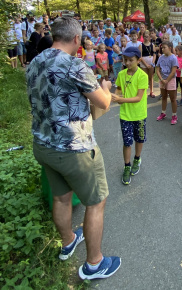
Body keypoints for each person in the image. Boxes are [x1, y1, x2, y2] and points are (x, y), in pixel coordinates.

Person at [26, 16, 120, 280]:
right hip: (74, 149)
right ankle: (94, 264)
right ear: (77, 39)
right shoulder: (73, 64)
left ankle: (68, 241)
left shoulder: (35, 62)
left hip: (43, 145)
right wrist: (106, 87)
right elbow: (102, 103)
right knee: (96, 201)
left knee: (60, 197)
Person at [112, 47, 148, 185]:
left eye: (131, 60)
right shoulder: (121, 74)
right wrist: (115, 96)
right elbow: (119, 89)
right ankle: (126, 166)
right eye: (125, 60)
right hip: (125, 115)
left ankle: (137, 159)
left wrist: (121, 100)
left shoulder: (143, 76)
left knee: (139, 139)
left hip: (139, 115)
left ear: (138, 60)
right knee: (127, 142)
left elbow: (139, 97)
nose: (127, 63)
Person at [156, 41, 179, 124]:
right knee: (164, 97)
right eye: (162, 48)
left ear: (170, 48)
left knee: (173, 98)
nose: (162, 49)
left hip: (171, 80)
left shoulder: (173, 58)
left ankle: (174, 115)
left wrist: (167, 80)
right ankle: (163, 113)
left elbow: (173, 71)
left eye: (164, 47)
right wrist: (162, 80)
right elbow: (157, 69)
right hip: (162, 79)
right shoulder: (161, 57)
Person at [139, 31, 156, 97]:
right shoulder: (141, 45)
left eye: (147, 36)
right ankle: (144, 91)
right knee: (145, 77)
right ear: (143, 37)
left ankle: (151, 91)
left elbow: (154, 54)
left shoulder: (152, 45)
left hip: (151, 63)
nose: (146, 38)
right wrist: (146, 64)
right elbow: (140, 56)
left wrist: (152, 63)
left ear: (149, 37)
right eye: (145, 37)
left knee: (151, 77)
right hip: (144, 63)